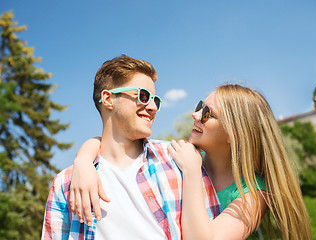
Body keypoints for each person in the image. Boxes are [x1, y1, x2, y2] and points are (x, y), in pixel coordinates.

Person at [71, 84, 312, 239]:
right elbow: (122, 145)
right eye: (200, 106)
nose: (196, 115)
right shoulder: (185, 156)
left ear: (234, 134)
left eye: (207, 114)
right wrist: (83, 160)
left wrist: (193, 173)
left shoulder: (253, 194)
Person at [41, 55, 221, 240]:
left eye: (155, 100)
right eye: (143, 96)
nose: (152, 107)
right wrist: (83, 160)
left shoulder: (180, 161)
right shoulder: (66, 183)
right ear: (108, 99)